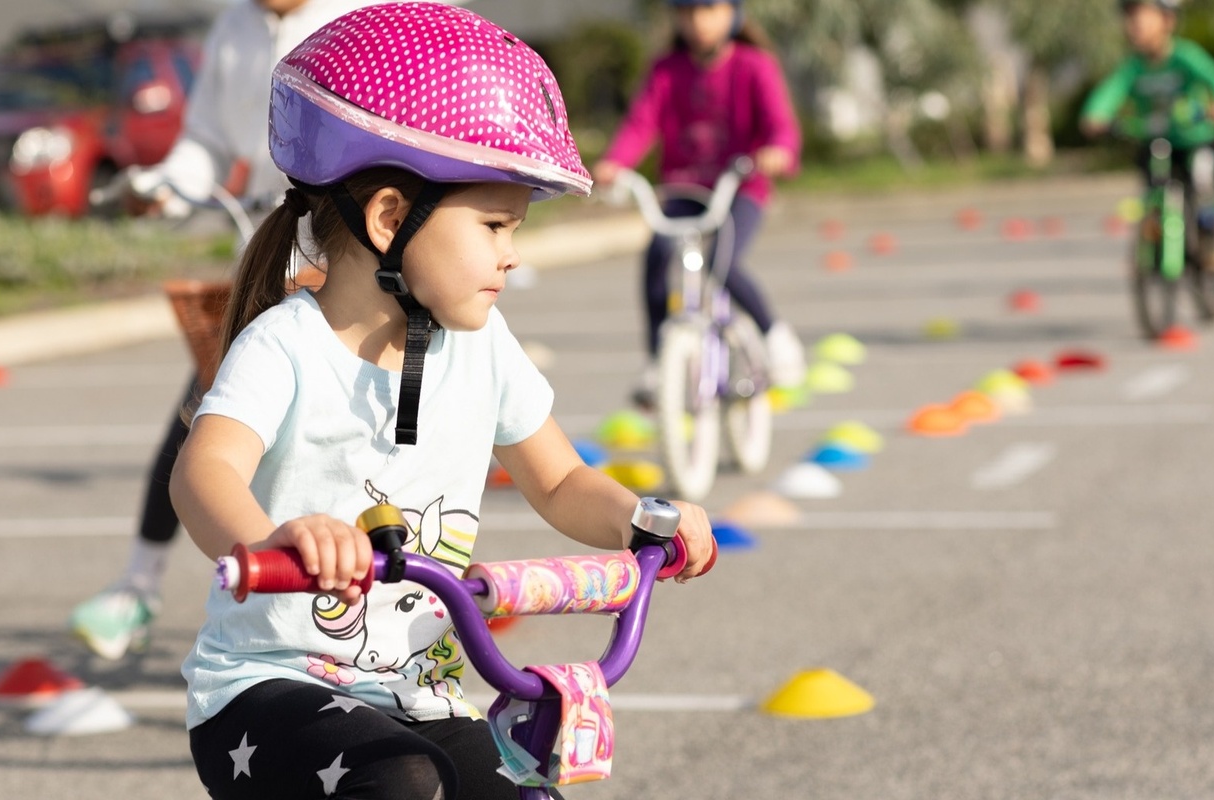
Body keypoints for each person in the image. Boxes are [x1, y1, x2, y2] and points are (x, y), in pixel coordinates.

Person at [170, 5, 717, 799]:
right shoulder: (287, 345)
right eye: (494, 224)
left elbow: (561, 482)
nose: (511, 252)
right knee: (402, 784)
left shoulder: (483, 344)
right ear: (392, 217)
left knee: (524, 791)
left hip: (416, 698)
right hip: (265, 692)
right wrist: (278, 538)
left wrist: (645, 522)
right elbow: (204, 473)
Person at [68, 0, 389, 661]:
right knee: (205, 407)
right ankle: (139, 585)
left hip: (355, 250)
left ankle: (413, 587)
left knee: (375, 423)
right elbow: (208, 140)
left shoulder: (365, 10)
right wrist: (169, 181)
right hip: (272, 248)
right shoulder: (234, 27)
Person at [590, 0, 806, 408]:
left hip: (739, 189)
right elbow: (641, 123)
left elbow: (782, 126)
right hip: (685, 191)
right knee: (656, 255)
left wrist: (778, 150)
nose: (698, 20)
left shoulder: (754, 65)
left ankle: (776, 336)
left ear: (733, 14)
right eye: (687, 11)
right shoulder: (667, 70)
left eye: (709, 9)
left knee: (722, 262)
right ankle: (657, 364)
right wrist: (615, 163)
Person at [1080, 0, 1214, 269]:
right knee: (1152, 186)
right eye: (1129, 19)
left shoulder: (1185, 56)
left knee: (1203, 186)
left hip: (1194, 140)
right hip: (1156, 141)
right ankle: (1155, 238)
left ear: (1167, 21)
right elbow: (1110, 92)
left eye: (1141, 18)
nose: (1134, 26)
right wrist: (1095, 115)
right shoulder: (1133, 66)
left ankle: (1210, 242)